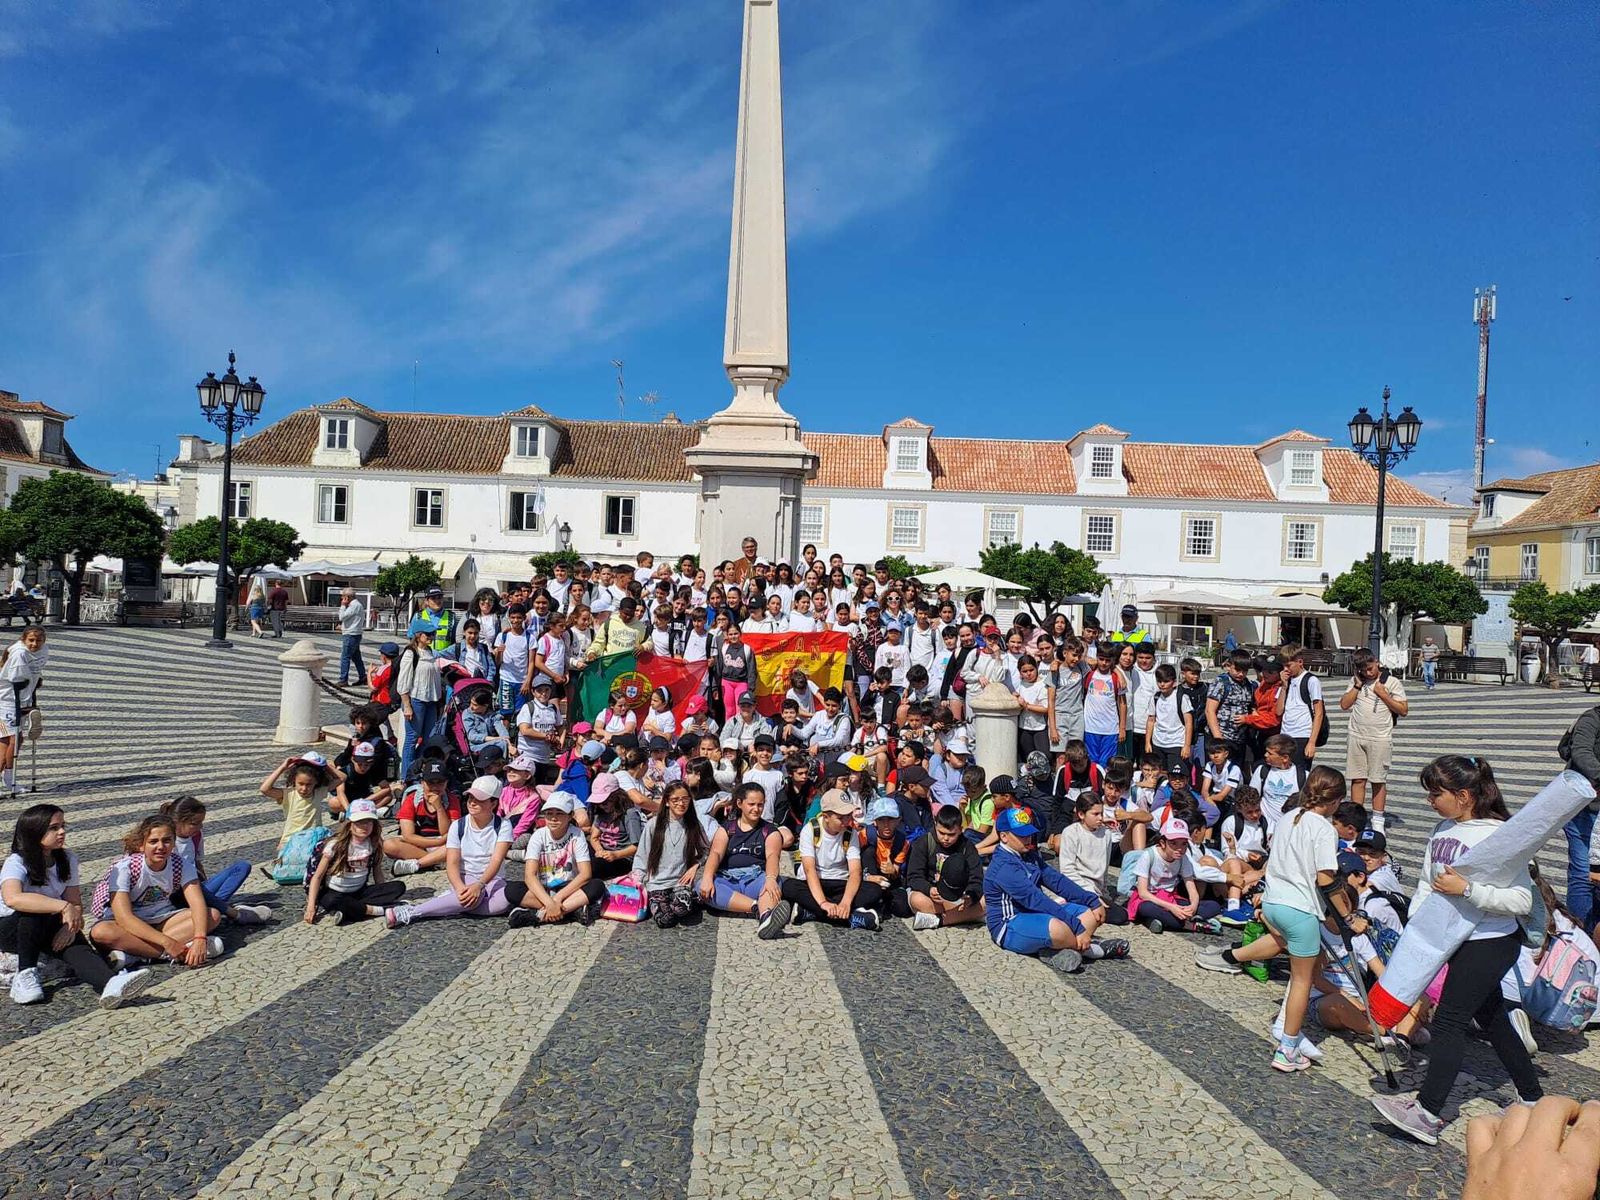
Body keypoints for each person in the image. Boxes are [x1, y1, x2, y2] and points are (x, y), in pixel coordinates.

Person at [1371, 755, 1542, 1146]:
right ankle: (1532, 1098)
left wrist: (1467, 890)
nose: (1430, 801)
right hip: (1450, 938)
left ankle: (1428, 1113)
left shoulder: (1500, 835)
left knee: (1449, 1022)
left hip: (1491, 941)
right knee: (1494, 1017)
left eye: (1436, 794)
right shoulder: (1443, 827)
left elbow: (1520, 901)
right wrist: (1417, 927)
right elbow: (1428, 883)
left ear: (1463, 795)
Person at [3, 804, 151, 1008]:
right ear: (35, 831)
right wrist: (64, 907)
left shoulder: (67, 858)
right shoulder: (17, 861)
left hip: (48, 924)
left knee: (75, 946)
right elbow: (13, 899)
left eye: (63, 826)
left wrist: (69, 928)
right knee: (34, 912)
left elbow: (75, 903)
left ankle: (109, 983)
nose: (62, 832)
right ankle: (25, 975)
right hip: (11, 927)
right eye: (54, 828)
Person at [984, 804, 1116, 972]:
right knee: (1060, 929)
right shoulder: (1003, 866)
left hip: (1036, 914)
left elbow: (1058, 882)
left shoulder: (1028, 855)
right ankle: (1091, 949)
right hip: (1010, 924)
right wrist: (1077, 927)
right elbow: (1035, 900)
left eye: (1029, 834)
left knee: (1091, 915)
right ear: (1004, 837)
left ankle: (1054, 950)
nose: (1028, 839)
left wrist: (1092, 900)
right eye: (1021, 835)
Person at [88, 813, 223, 968]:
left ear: (174, 843)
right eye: (153, 842)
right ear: (142, 845)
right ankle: (178, 952)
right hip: (127, 925)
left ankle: (138, 954)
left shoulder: (181, 864)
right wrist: (167, 942)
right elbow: (124, 918)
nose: (160, 847)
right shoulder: (125, 867)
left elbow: (197, 902)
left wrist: (200, 938)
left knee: (212, 915)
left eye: (167, 840)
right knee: (101, 932)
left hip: (162, 919)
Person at [385, 776, 513, 927]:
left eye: (479, 799)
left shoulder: (503, 825)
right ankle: (413, 911)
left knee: (502, 904)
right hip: (466, 876)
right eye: (470, 797)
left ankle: (450, 902)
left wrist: (480, 885)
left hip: (492, 879)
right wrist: (459, 888)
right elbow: (452, 862)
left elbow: (497, 860)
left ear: (493, 803)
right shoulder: (458, 825)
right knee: (471, 898)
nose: (472, 802)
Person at [698, 782, 792, 937]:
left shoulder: (770, 831)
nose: (756, 809)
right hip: (727, 878)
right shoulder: (726, 829)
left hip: (755, 878)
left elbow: (772, 856)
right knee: (701, 886)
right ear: (740, 803)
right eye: (751, 804)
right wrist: (707, 877)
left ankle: (766, 916)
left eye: (760, 805)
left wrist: (770, 878)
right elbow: (715, 854)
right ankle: (758, 909)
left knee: (773, 885)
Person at [780, 790, 882, 930]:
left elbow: (855, 871)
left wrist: (846, 902)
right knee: (788, 886)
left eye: (848, 816)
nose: (846, 822)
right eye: (841, 818)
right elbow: (810, 870)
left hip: (840, 882)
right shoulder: (810, 830)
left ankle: (811, 911)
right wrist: (823, 903)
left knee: (875, 890)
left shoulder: (850, 833)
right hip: (815, 881)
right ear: (826, 816)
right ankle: (852, 918)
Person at [506, 793, 609, 927]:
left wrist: (557, 899)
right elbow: (529, 875)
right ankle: (571, 911)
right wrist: (549, 902)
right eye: (549, 813)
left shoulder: (577, 835)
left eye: (559, 814)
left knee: (597, 886)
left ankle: (538, 916)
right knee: (511, 890)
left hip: (570, 888)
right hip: (543, 889)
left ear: (570, 815)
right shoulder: (538, 835)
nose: (553, 818)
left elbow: (585, 874)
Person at [162, 797, 271, 924]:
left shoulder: (196, 836)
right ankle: (233, 913)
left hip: (197, 886)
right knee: (192, 883)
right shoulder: (168, 841)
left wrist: (204, 884)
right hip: (179, 893)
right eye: (194, 823)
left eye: (201, 822)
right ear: (177, 822)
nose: (200, 827)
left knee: (242, 866)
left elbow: (197, 862)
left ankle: (215, 905)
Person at [304, 799, 407, 925]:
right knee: (334, 901)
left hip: (359, 891)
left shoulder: (373, 844)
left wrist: (381, 890)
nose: (365, 826)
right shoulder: (335, 845)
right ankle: (380, 910)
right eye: (359, 822)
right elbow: (318, 876)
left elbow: (377, 871)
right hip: (335, 892)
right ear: (350, 824)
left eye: (369, 822)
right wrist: (311, 906)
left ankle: (351, 912)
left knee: (398, 887)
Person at [1339, 648, 1408, 833]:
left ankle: (1378, 819)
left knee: (1378, 779)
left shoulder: (1391, 682)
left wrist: (1384, 695)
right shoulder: (1356, 682)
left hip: (1380, 737)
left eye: (1370, 668)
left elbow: (1403, 710)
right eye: (1363, 670)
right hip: (1356, 735)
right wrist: (1357, 686)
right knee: (1357, 778)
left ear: (1376, 662)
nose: (1368, 673)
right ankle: (1357, 817)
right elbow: (1344, 705)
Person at [633, 781, 709, 928]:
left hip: (680, 883)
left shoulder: (694, 824)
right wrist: (639, 881)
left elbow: (706, 850)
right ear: (667, 802)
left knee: (681, 909)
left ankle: (687, 899)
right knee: (665, 920)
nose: (681, 803)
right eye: (675, 800)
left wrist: (695, 866)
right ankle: (660, 903)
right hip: (656, 883)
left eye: (685, 799)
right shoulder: (653, 825)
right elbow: (641, 856)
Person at [383, 761, 460, 874]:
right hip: (421, 843)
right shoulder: (412, 799)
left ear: (446, 783)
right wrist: (435, 843)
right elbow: (408, 835)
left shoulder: (452, 799)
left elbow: (449, 833)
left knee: (460, 844)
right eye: (430, 783)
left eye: (440, 783)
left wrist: (439, 808)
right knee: (389, 845)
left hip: (444, 844)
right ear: (422, 783)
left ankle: (420, 863)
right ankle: (435, 861)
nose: (435, 787)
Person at [0, 625, 46, 796]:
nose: (34, 644)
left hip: (21, 699)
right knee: (13, 739)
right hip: (7, 700)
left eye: (38, 641)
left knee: (12, 739)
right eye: (31, 640)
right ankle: (8, 776)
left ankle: (8, 776)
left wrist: (36, 682)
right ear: (23, 639)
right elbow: (17, 679)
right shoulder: (19, 653)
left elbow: (35, 673)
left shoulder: (43, 650)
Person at [259, 753, 336, 855]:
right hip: (291, 840)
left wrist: (324, 766)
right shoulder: (289, 794)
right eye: (300, 783)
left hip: (313, 839)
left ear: (316, 782)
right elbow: (264, 789)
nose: (304, 789)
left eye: (309, 784)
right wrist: (282, 767)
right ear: (294, 780)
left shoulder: (318, 792)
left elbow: (342, 778)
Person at [395, 627, 445, 782]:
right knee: (412, 738)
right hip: (416, 699)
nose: (432, 637)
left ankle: (418, 768)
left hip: (431, 700)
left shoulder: (430, 652)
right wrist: (406, 704)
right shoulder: (411, 653)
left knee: (428, 738)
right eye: (428, 634)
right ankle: (406, 776)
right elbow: (403, 680)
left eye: (433, 634)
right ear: (419, 635)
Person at [1275, 646, 1324, 769]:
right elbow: (1278, 711)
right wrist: (1284, 687)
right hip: (1285, 734)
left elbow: (1319, 713)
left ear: (1300, 662)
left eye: (1289, 665)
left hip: (1302, 735)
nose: (1286, 669)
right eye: (1284, 666)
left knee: (1299, 774)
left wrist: (1312, 742)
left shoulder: (1311, 681)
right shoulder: (1286, 681)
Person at [336, 587, 367, 686]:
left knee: (345, 657)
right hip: (354, 633)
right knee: (356, 657)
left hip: (351, 634)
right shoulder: (356, 605)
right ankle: (363, 677)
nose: (341, 598)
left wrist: (342, 606)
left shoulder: (354, 606)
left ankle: (343, 679)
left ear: (347, 597)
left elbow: (342, 617)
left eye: (343, 597)